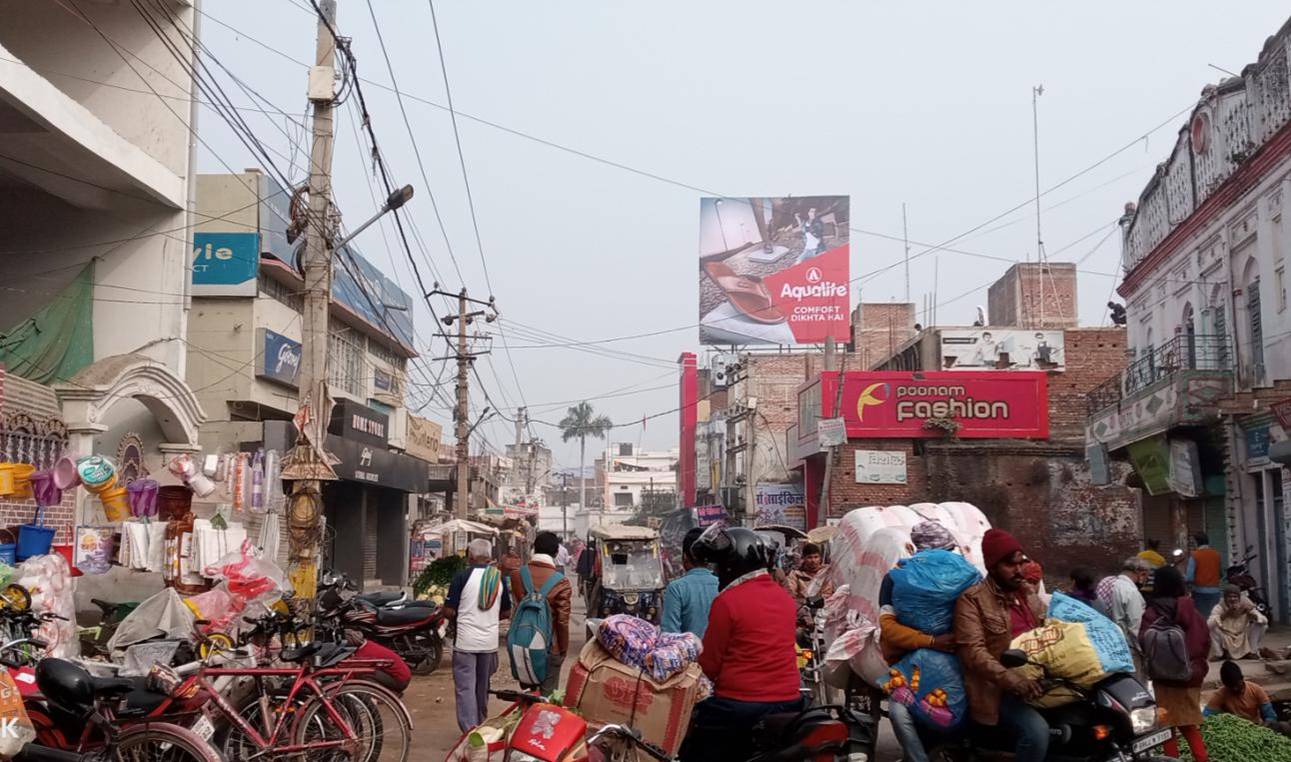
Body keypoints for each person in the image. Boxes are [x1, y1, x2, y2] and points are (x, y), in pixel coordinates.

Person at [682, 526, 803, 761]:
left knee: (693, 747)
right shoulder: (785, 598)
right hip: (791, 701)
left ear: (731, 565)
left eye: (717, 567)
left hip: (739, 706)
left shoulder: (727, 601)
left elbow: (710, 664)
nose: (716, 574)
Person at [954, 528, 1049, 762]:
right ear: (992, 566)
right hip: (1000, 690)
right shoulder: (972, 599)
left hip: (1043, 681)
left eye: (1020, 563)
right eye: (1010, 565)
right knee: (1037, 734)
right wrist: (1013, 680)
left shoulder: (1027, 593)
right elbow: (972, 652)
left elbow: (1049, 629)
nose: (1018, 570)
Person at [880, 521, 958, 762]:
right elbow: (888, 628)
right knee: (899, 711)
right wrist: (931, 641)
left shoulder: (963, 578)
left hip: (953, 662)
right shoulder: (895, 579)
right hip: (909, 663)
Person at [1140, 565, 1211, 762]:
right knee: (1189, 725)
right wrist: (1196, 666)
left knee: (1166, 726)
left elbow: (1143, 641)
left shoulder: (1152, 612)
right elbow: (1205, 642)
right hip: (1190, 676)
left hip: (1163, 678)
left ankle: (1171, 759)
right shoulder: (1192, 610)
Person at [444, 539, 511, 733]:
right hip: (489, 643)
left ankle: (469, 730)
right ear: (489, 557)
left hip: (466, 642)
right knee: (482, 687)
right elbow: (506, 612)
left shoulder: (462, 577)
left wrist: (453, 613)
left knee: (465, 688)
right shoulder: (498, 579)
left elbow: (449, 610)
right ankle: (481, 724)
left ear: (470, 556)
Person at [508, 531, 572, 695]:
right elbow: (562, 621)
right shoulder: (561, 582)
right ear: (557, 552)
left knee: (528, 696)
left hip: (521, 643)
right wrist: (562, 649)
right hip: (551, 648)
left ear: (533, 549)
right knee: (546, 700)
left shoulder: (517, 575)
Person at [662, 527, 719, 638]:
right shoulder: (724, 586)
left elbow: (670, 635)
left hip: (690, 654)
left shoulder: (676, 588)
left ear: (684, 557)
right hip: (719, 654)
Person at [1096, 557, 1151, 671]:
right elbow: (1134, 625)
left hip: (1103, 641)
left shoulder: (1106, 581)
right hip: (1126, 646)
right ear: (1141, 573)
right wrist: (1141, 650)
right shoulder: (1131, 591)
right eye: (1146, 576)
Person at [1205, 660, 1276, 724]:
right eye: (1231, 687)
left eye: (1237, 685)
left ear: (1242, 679)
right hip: (1233, 729)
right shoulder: (1221, 694)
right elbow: (1206, 715)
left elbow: (1270, 716)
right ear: (1225, 685)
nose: (1235, 689)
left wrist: (1266, 728)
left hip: (1255, 725)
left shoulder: (1256, 689)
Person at [1208, 584, 1268, 660]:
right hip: (1227, 637)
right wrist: (1226, 614)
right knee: (1213, 628)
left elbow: (1264, 620)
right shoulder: (1220, 607)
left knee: (1262, 625)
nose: (1232, 599)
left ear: (1239, 598)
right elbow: (1208, 625)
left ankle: (1252, 652)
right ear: (1225, 598)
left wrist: (1253, 615)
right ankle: (1219, 654)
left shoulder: (1245, 605)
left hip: (1242, 636)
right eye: (1230, 597)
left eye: (1235, 597)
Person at [1186, 532, 1223, 618]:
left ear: (1196, 542)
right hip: (1215, 592)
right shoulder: (1216, 554)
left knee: (1201, 618)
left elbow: (1189, 578)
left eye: (1193, 542)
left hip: (1199, 592)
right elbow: (1221, 573)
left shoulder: (1195, 555)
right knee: (1214, 618)